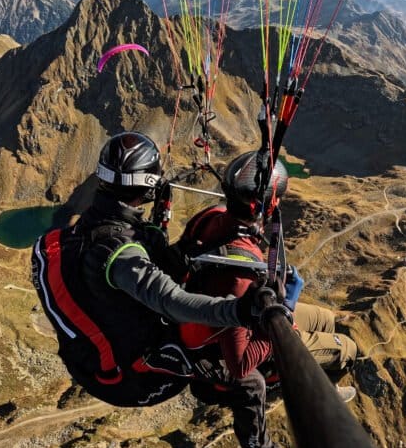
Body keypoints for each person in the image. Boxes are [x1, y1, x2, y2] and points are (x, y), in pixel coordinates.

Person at [31, 131, 284, 409]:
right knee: (248, 378)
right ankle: (260, 441)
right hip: (135, 382)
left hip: (89, 360)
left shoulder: (91, 227)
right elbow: (171, 302)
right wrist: (238, 311)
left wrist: (171, 240)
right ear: (148, 186)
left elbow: (148, 260)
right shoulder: (122, 255)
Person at [175, 151, 357, 448]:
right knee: (344, 351)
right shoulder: (239, 272)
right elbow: (240, 363)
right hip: (216, 347)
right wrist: (284, 311)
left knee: (325, 319)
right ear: (264, 206)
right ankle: (259, 441)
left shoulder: (212, 216)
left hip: (227, 312)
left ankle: (322, 377)